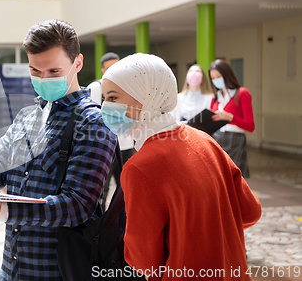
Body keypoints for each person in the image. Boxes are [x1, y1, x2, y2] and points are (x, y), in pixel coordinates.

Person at [0, 19, 117, 280]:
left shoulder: (93, 123)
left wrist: (7, 210)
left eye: (54, 72)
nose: (43, 79)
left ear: (77, 63)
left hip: (58, 270)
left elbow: (78, 205)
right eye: (35, 71)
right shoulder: (27, 116)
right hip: (13, 268)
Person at [100, 53, 261, 280]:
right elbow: (250, 211)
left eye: (114, 98)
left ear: (145, 98)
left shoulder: (140, 167)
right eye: (105, 98)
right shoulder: (205, 141)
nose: (106, 107)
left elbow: (143, 259)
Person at [87, 52, 135, 210]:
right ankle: (101, 228)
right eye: (109, 67)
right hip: (105, 147)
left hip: (126, 146)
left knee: (129, 189)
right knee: (102, 189)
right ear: (102, 70)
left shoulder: (128, 86)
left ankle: (126, 225)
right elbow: (89, 117)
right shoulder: (96, 88)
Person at [208, 59, 255, 178]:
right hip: (216, 139)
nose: (216, 80)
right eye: (213, 78)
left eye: (218, 76)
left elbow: (250, 126)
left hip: (234, 140)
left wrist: (231, 118)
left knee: (233, 179)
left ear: (227, 74)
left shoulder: (242, 93)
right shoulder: (215, 98)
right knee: (217, 178)